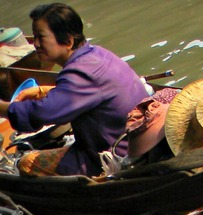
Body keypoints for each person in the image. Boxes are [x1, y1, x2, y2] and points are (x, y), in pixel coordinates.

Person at [0, 3, 148, 177]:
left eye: (41, 38)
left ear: (68, 41)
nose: (36, 44)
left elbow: (40, 114)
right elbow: (86, 91)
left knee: (26, 163)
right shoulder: (96, 54)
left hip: (116, 156)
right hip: (135, 143)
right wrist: (44, 91)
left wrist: (2, 107)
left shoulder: (80, 72)